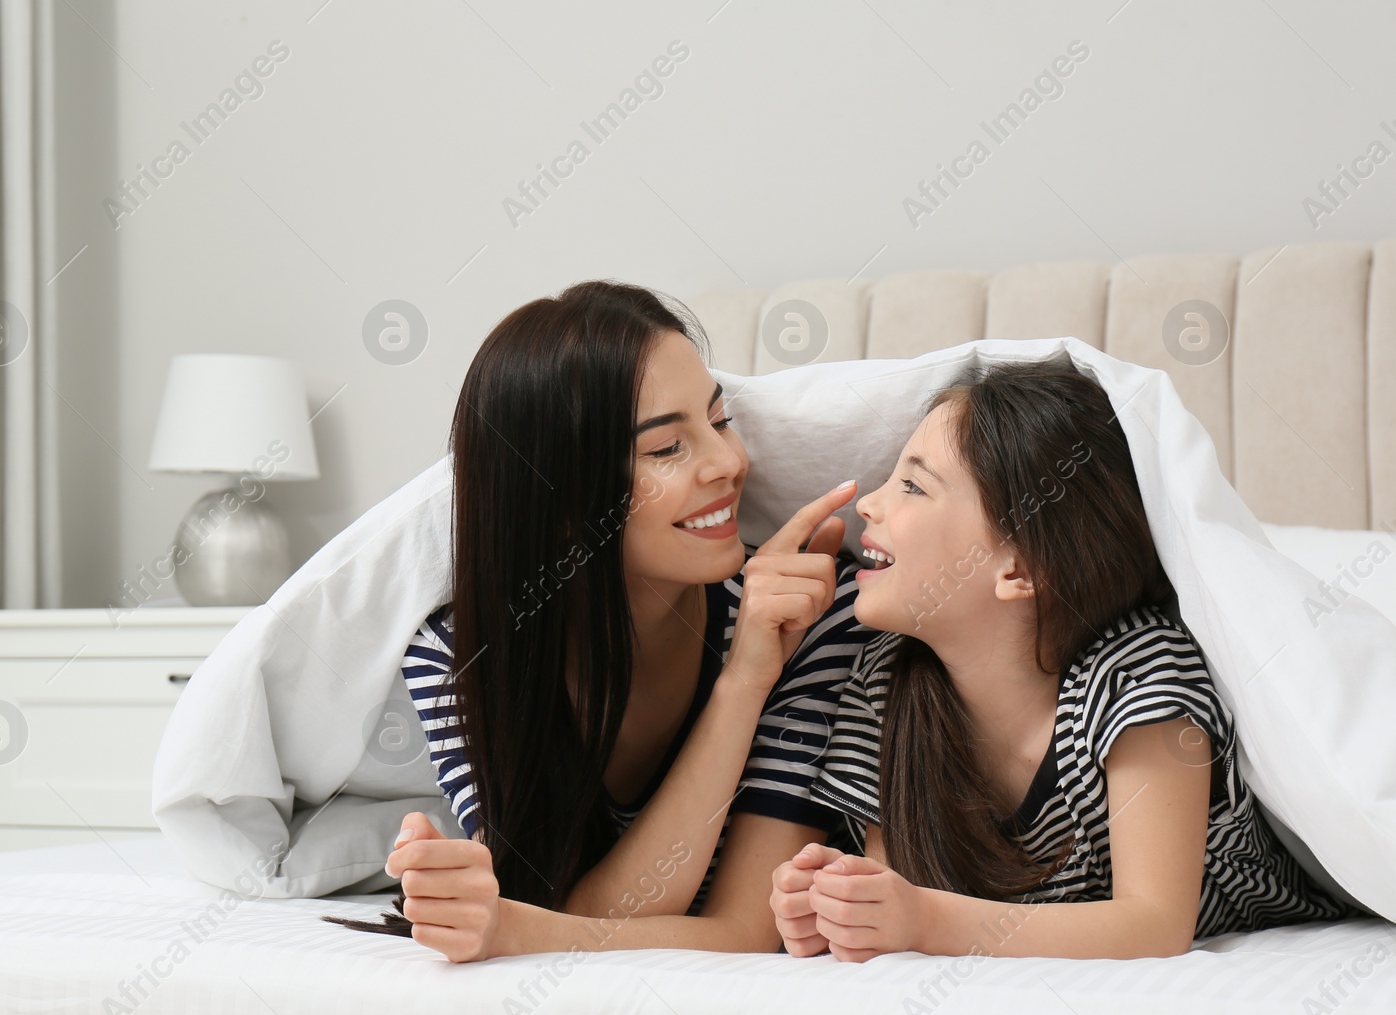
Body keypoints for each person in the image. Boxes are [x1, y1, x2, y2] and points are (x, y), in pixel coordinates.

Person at [324, 280, 879, 961]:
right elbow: (571, 906)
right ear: (561, 507)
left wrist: (748, 676)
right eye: (667, 448)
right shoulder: (458, 656)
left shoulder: (807, 618)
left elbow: (744, 931)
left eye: (721, 420)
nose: (730, 462)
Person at [769, 357, 1356, 963]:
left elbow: (1154, 925)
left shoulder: (1136, 675)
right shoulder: (882, 682)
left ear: (1019, 568)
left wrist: (923, 921)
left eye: (913, 486)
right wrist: (842, 908)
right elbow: (897, 891)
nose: (868, 503)